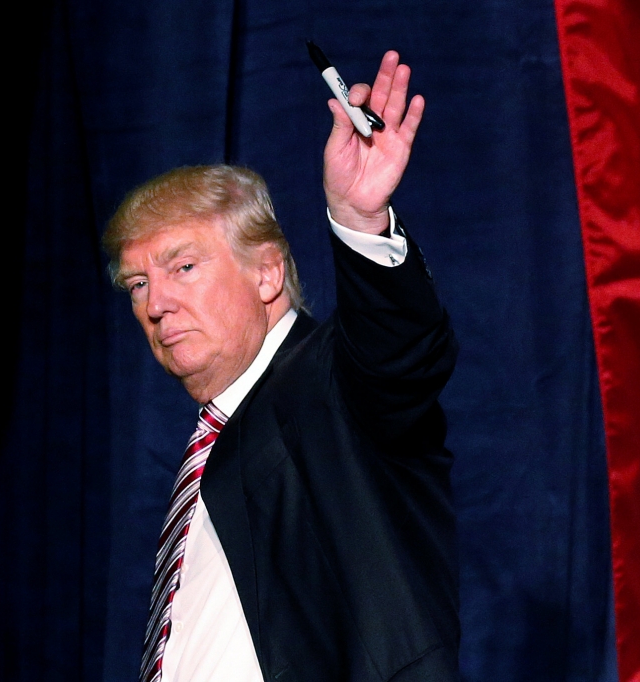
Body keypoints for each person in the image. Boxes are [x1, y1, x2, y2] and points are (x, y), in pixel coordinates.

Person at [103, 52, 460, 682]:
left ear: (267, 272)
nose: (156, 304)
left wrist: (359, 221)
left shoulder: (326, 386)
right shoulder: (210, 448)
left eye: (183, 267)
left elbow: (397, 353)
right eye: (137, 284)